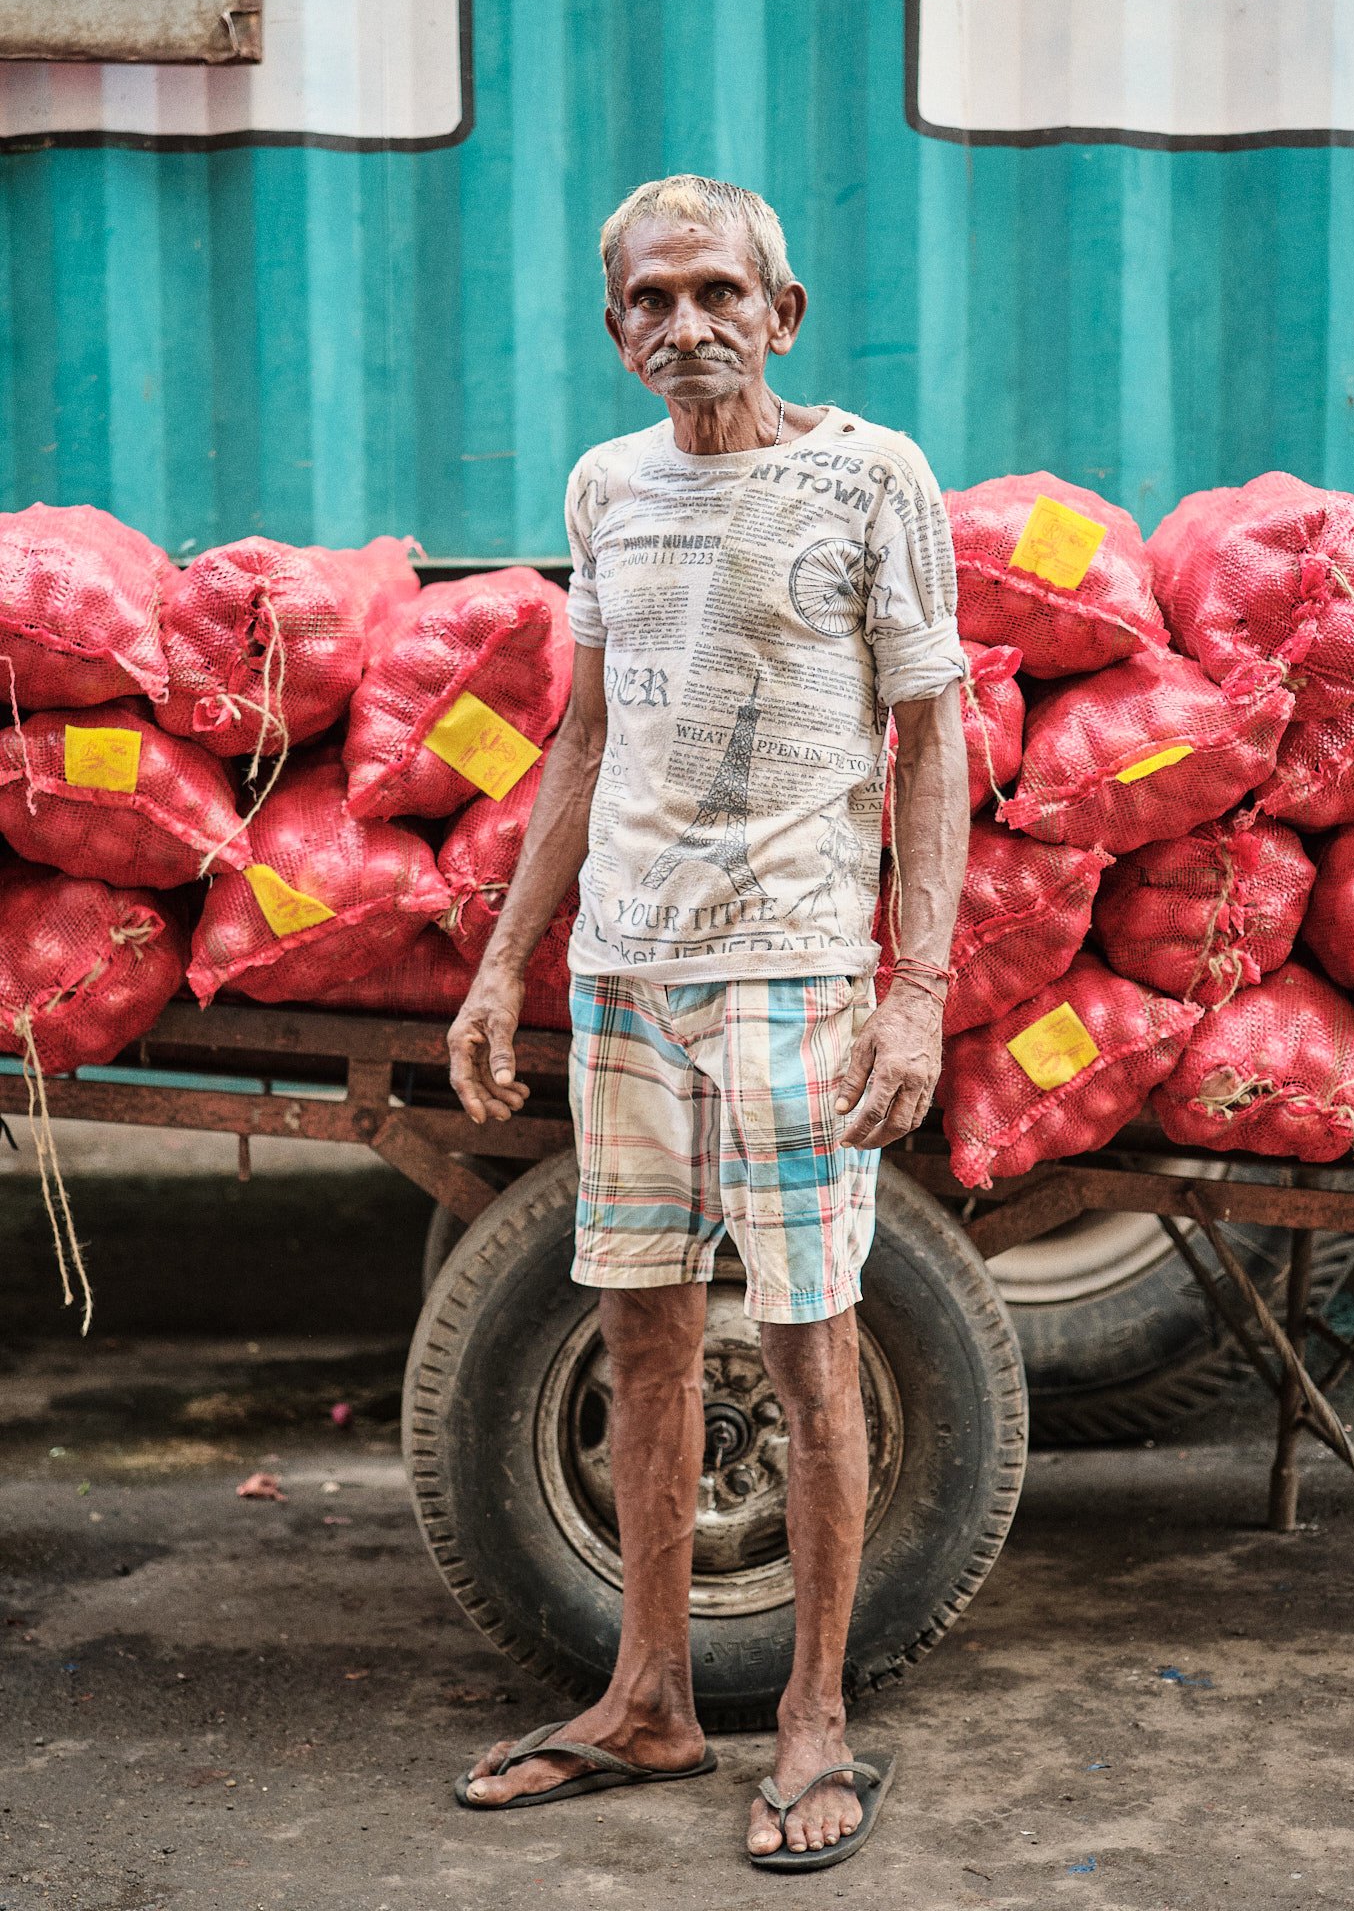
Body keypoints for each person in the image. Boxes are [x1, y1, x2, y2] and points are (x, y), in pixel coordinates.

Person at [447, 175, 969, 1870]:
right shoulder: (607, 486)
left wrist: (915, 994)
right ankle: (650, 1698)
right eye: (650, 301)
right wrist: (502, 965)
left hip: (797, 973)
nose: (686, 325)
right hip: (624, 974)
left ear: (781, 311)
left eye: (716, 292)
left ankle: (814, 1717)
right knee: (643, 1339)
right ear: (616, 332)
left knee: (809, 1347)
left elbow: (932, 740)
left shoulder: (871, 477)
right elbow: (585, 737)